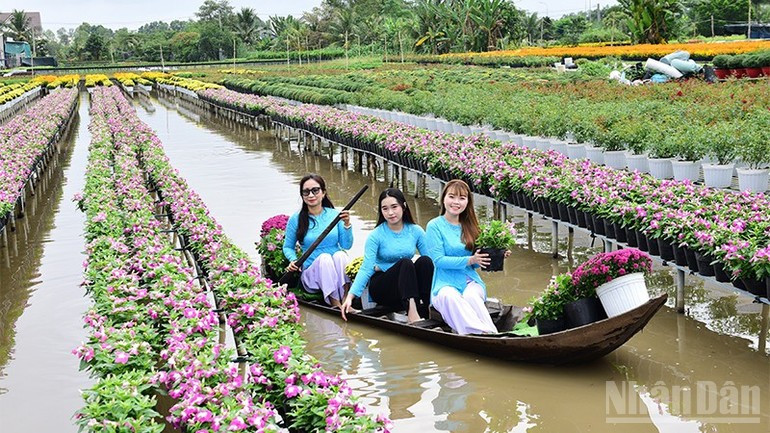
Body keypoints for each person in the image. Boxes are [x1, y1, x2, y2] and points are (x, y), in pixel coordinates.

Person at [425, 179, 508, 335]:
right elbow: (438, 261)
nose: (456, 202)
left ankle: (491, 333)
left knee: (471, 297)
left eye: (462, 198)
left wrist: (498, 255)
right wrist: (469, 260)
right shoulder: (434, 226)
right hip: (444, 284)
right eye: (452, 196)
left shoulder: (471, 226)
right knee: (450, 297)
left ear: (467, 202)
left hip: (470, 280)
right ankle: (481, 333)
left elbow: (477, 264)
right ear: (444, 198)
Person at [341, 188, 433, 323]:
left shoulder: (416, 231)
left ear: (404, 206)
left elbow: (432, 262)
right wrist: (350, 297)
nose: (390, 213)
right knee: (406, 263)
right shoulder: (376, 235)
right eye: (385, 209)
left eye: (394, 207)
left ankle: (427, 307)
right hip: (383, 287)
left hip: (407, 285)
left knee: (425, 261)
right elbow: (366, 268)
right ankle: (413, 315)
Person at [283, 174, 352, 307]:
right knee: (324, 258)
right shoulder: (296, 219)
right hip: (312, 274)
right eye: (306, 192)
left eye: (315, 190)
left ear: (323, 193)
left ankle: (345, 298)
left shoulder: (335, 215)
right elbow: (288, 247)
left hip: (336, 271)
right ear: (302, 195)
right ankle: (335, 303)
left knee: (341, 255)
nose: (311, 195)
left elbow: (346, 245)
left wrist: (347, 224)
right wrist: (293, 260)